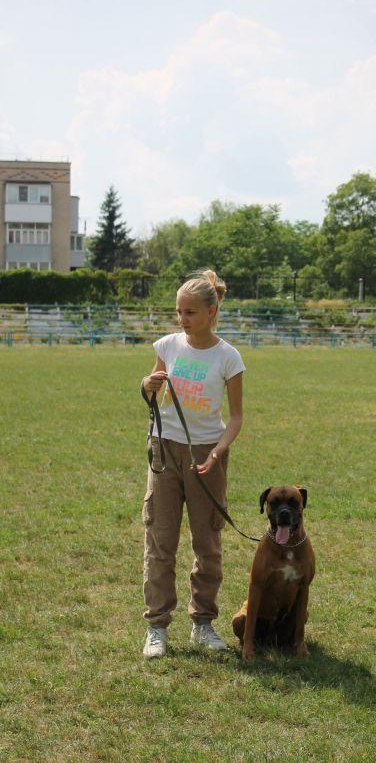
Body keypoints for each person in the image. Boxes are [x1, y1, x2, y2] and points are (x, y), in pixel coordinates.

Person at [140, 269, 245, 658]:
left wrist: (217, 451)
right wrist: (147, 386)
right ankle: (157, 628)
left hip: (208, 455)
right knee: (160, 539)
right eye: (178, 312)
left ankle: (202, 623)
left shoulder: (228, 356)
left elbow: (235, 418)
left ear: (212, 311)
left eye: (190, 312)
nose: (182, 319)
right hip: (164, 451)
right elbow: (152, 387)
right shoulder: (167, 345)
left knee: (208, 542)